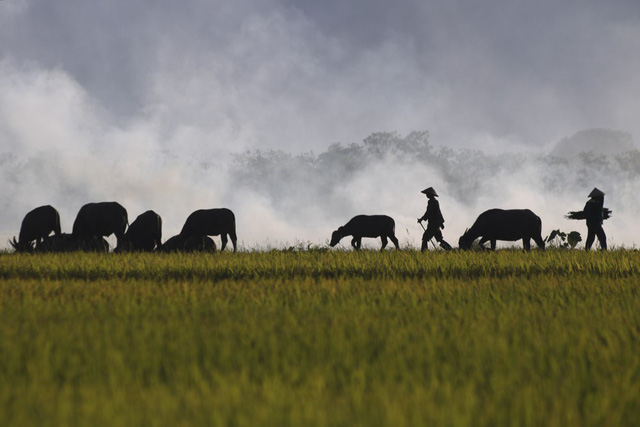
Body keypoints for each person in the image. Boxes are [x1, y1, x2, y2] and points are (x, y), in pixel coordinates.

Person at [417, 187, 452, 251]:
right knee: (439, 239)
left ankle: (424, 252)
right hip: (433, 224)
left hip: (434, 224)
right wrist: (421, 219)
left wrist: (441, 223)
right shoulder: (430, 202)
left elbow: (438, 212)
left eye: (427, 194)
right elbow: (427, 213)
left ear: (431, 194)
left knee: (425, 238)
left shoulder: (435, 202)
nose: (426, 195)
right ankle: (449, 249)